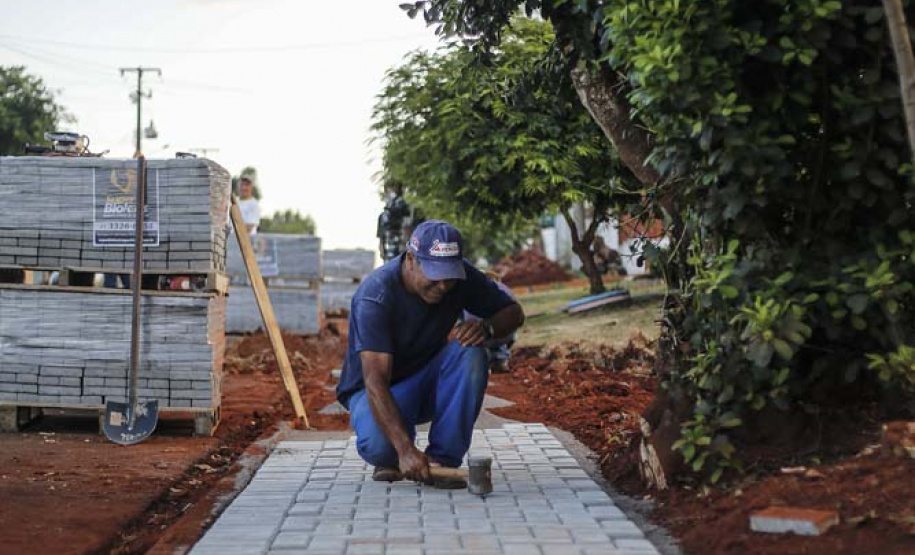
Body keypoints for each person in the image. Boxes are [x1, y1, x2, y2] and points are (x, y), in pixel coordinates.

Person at [336, 220, 525, 488]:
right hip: (377, 392)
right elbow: (375, 380)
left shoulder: (461, 280)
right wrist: (404, 450)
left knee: (471, 353)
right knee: (380, 448)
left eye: (450, 276)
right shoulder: (375, 296)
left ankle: (443, 460)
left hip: (427, 381)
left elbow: (514, 312)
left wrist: (487, 328)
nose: (443, 286)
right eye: (435, 276)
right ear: (411, 260)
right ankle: (392, 457)